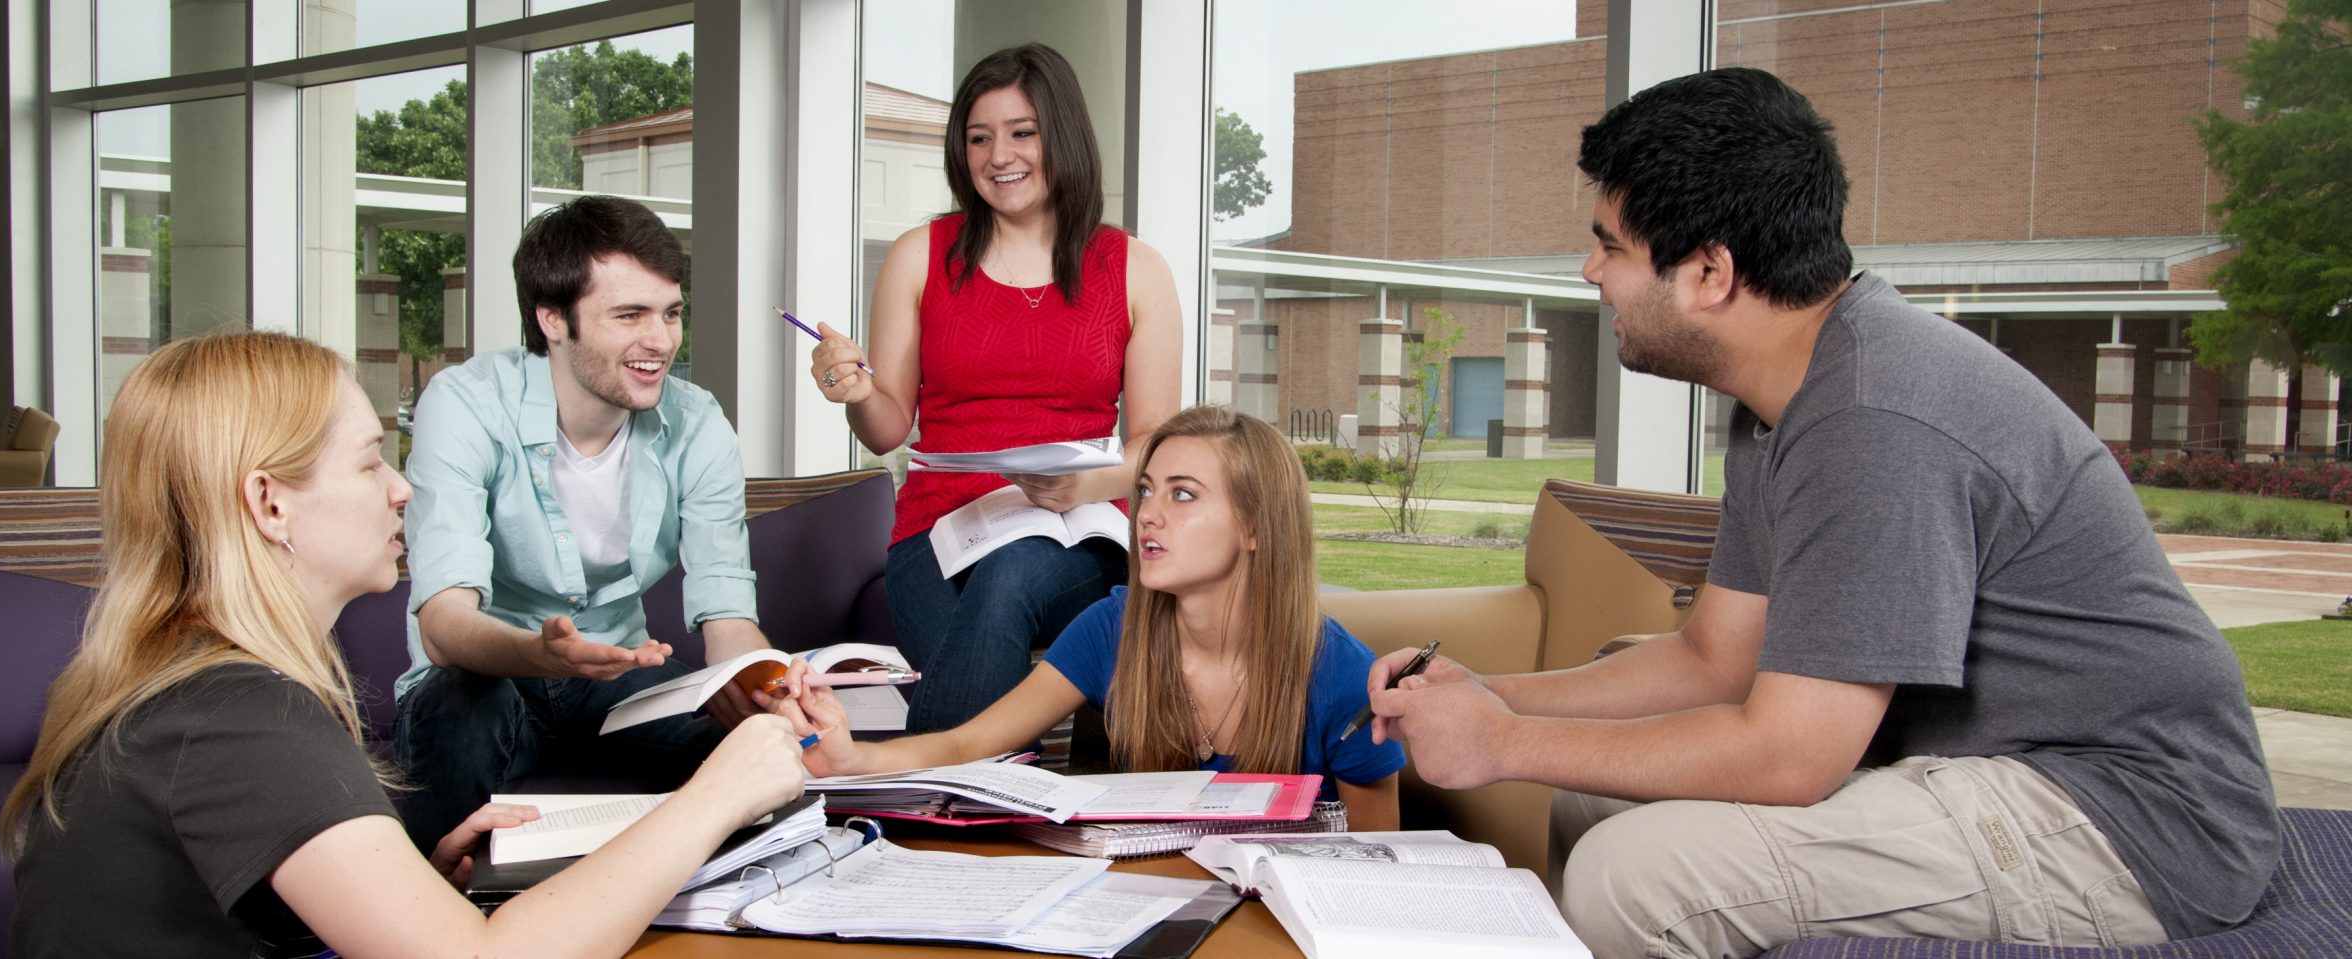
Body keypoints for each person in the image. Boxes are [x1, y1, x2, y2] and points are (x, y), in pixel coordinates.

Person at [1365, 67, 2279, 959]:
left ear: (1710, 272)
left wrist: (1505, 741)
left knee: (1632, 876)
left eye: (1612, 246)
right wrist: (1489, 695)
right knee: (1595, 792)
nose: (1590, 270)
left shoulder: (1872, 418)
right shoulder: (1787, 399)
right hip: (2001, 766)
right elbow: (1714, 661)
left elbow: (1789, 756)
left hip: (2117, 815)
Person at [0, 331, 806, 959]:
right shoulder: (238, 716)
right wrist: (715, 795)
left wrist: (413, 888)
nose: (401, 487)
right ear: (270, 504)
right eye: (368, 463)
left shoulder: (191, 683)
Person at [766, 406, 1405, 831]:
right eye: (1146, 490)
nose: (1148, 513)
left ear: (1256, 527)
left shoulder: (1342, 673)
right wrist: (849, 759)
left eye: (1183, 495)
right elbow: (966, 745)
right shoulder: (1113, 628)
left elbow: (1378, 864)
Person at [807, 43, 1182, 732]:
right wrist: (858, 394)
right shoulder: (920, 254)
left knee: (1011, 573)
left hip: (1077, 531)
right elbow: (888, 430)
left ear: (1061, 135)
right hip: (936, 533)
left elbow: (1159, 442)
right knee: (984, 625)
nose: (998, 156)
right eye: (979, 138)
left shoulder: (1135, 268)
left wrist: (1087, 484)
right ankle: (997, 778)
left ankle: (911, 782)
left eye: (1021, 132)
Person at [397, 195, 776, 853]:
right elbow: (443, 624)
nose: (661, 340)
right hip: (488, 675)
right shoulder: (466, 404)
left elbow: (727, 614)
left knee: (758, 744)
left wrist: (768, 684)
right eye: (629, 315)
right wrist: (538, 653)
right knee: (462, 707)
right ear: (552, 318)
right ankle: (435, 896)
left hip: (616, 677)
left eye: (670, 312)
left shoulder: (698, 422)